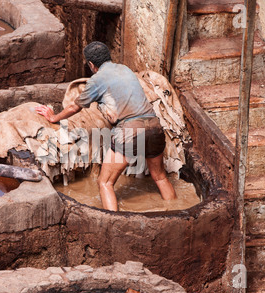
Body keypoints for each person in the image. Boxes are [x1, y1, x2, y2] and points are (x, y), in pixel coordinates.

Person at [36, 41, 176, 211]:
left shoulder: (96, 80)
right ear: (109, 57)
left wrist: (53, 117)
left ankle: (113, 224)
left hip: (129, 131)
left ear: (91, 64)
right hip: (154, 126)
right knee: (160, 177)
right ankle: (176, 210)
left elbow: (74, 107)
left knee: (105, 182)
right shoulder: (125, 69)